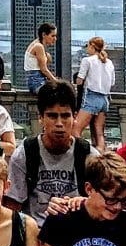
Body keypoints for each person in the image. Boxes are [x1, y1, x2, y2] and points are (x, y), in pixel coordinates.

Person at [6, 79, 91, 224]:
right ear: (41, 117)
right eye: (52, 116)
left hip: (77, 233)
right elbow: (12, 208)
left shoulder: (89, 155)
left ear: (75, 117)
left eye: (65, 116)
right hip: (35, 232)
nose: (59, 124)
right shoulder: (24, 154)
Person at [73, 37, 115, 147]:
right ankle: (101, 156)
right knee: (99, 133)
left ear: (92, 46)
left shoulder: (87, 60)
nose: (87, 48)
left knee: (75, 130)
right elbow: (112, 82)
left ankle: (80, 152)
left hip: (91, 97)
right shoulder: (109, 62)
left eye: (87, 46)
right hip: (105, 100)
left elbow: (79, 80)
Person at [23, 23, 56, 98]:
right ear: (44, 35)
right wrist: (56, 82)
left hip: (37, 80)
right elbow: (44, 70)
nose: (55, 39)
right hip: (37, 83)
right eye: (52, 36)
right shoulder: (38, 46)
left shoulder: (38, 45)